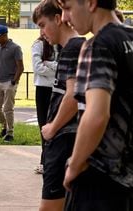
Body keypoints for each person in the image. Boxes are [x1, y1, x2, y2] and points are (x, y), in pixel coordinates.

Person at [57, 0, 133, 210]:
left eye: (68, 8)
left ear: (90, 3)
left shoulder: (97, 45)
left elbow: (97, 115)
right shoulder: (130, 37)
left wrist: (74, 165)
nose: (64, 18)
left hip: (100, 180)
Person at [32, 0, 85, 210]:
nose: (42, 32)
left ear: (57, 18)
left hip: (63, 140)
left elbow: (73, 95)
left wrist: (51, 128)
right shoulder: (71, 48)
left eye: (43, 25)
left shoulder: (73, 48)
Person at [0, 25, 24, 142]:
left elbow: (20, 67)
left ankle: (10, 133)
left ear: (4, 35)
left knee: (8, 109)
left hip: (10, 82)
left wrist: (14, 81)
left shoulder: (15, 48)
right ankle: (4, 125)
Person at [32, 36, 58, 174]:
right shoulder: (38, 45)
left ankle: (53, 160)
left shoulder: (59, 43)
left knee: (56, 125)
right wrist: (54, 70)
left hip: (58, 88)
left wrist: (48, 63)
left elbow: (62, 67)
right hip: (43, 90)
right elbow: (37, 68)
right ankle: (44, 161)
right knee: (44, 125)